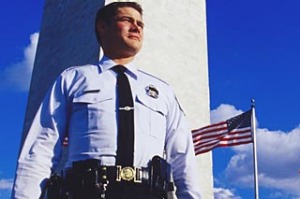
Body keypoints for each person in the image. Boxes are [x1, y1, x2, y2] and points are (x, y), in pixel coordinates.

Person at [12, 2, 202, 199]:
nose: (136, 27)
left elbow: (182, 158)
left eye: (140, 24)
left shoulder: (163, 91)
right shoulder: (73, 79)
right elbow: (41, 148)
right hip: (86, 193)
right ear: (102, 26)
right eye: (126, 20)